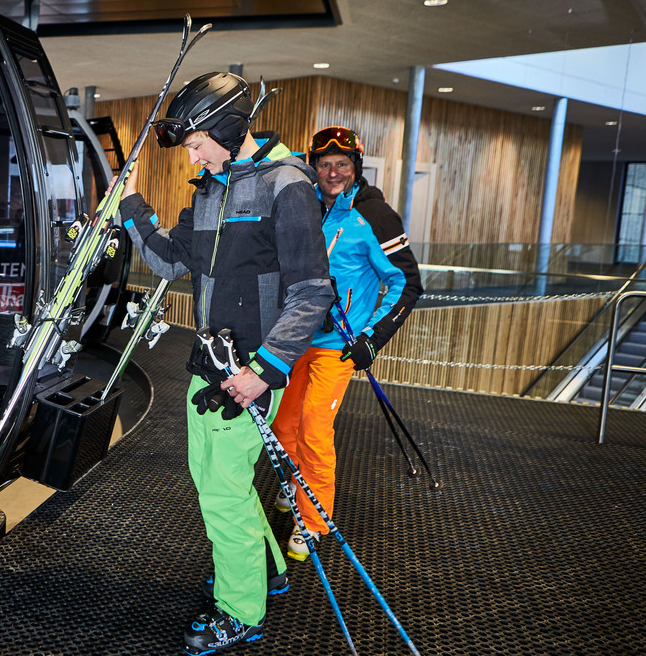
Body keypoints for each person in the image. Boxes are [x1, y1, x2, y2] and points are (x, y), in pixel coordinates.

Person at [115, 72, 333, 654]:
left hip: (252, 370)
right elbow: (167, 261)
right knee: (215, 477)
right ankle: (262, 568)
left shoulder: (285, 185)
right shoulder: (209, 188)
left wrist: (263, 370)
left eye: (195, 143)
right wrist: (131, 204)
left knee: (223, 489)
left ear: (229, 129)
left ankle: (240, 610)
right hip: (210, 361)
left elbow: (312, 291)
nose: (192, 154)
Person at [271, 126, 424, 561]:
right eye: (324, 164)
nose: (333, 172)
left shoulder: (375, 216)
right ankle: (299, 485)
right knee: (284, 426)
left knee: (315, 429)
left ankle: (313, 521)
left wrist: (373, 337)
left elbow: (407, 285)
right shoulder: (306, 206)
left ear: (355, 168)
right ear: (314, 167)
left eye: (342, 164)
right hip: (295, 336)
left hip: (339, 343)